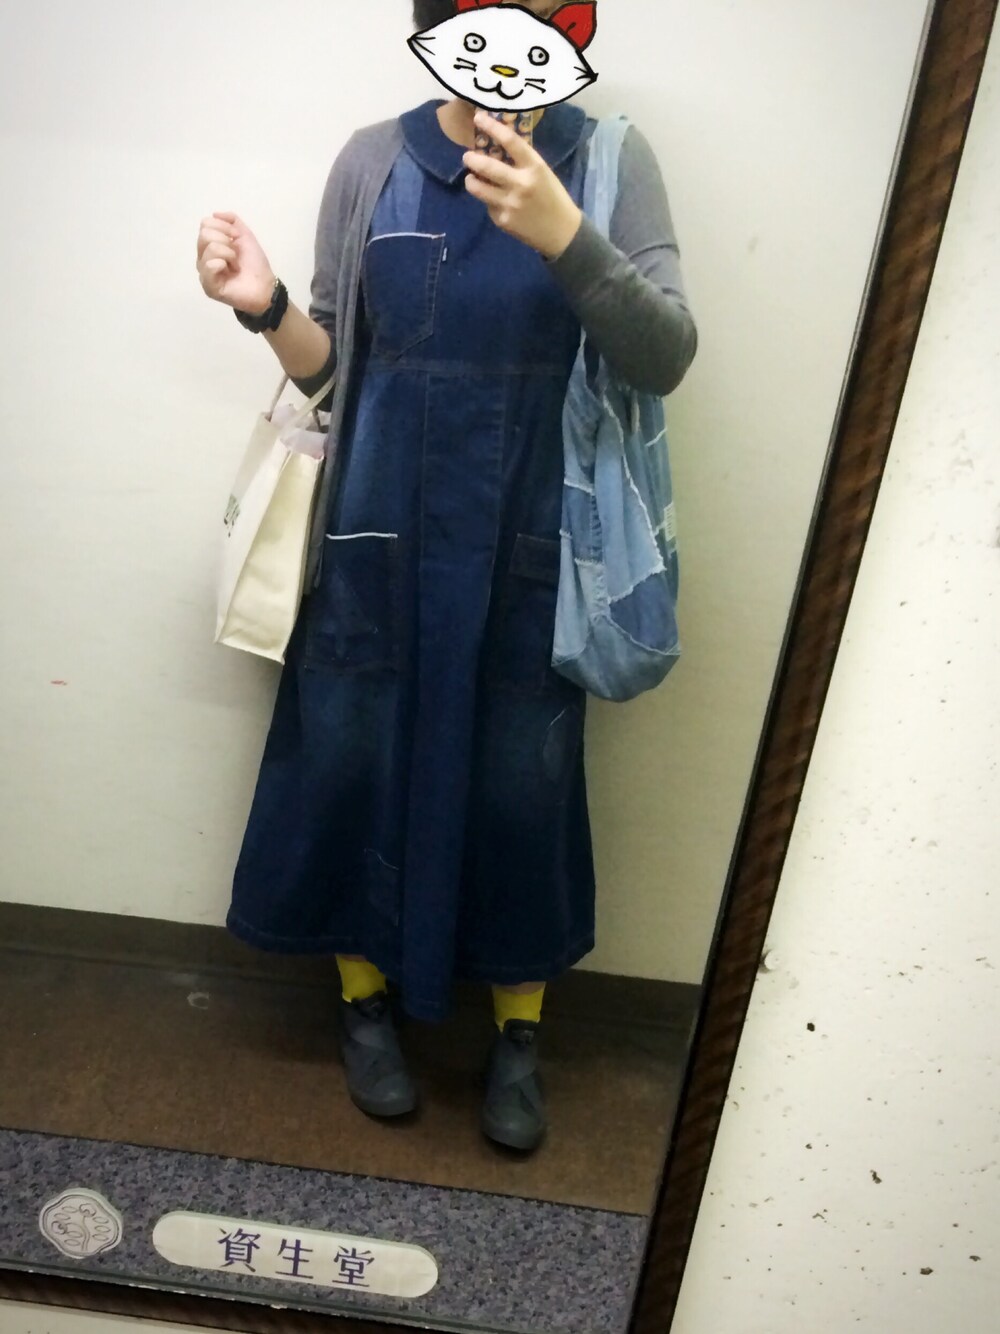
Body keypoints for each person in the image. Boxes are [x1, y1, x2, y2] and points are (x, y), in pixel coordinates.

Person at [195, 0, 696, 1154]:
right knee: (351, 760)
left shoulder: (609, 161)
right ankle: (362, 1003)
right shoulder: (373, 159)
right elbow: (337, 370)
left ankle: (518, 1033)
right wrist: (265, 306)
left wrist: (566, 235)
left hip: (532, 538)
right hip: (374, 535)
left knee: (522, 783)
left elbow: (664, 354)